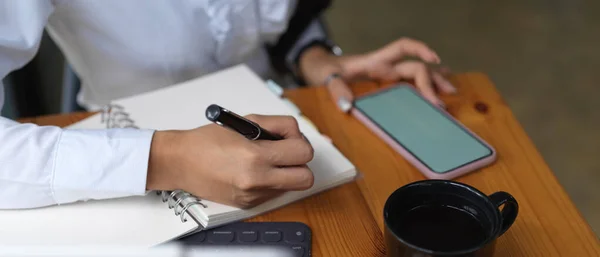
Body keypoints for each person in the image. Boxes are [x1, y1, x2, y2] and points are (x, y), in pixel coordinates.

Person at [0, 1, 455, 210]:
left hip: (275, 118)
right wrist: (167, 158)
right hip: (120, 156)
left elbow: (282, 15)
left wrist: (316, 57)